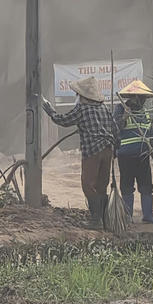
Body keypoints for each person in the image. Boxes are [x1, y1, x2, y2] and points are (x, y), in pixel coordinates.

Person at [39, 77, 118, 229]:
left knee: (88, 184)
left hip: (92, 150)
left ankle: (96, 221)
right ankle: (104, 220)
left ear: (82, 96)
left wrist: (50, 112)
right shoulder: (104, 108)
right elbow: (114, 128)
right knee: (102, 185)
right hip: (108, 149)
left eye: (77, 94)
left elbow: (64, 120)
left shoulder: (82, 109)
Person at [113, 80, 153, 224]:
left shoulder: (145, 112)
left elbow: (149, 133)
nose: (143, 101)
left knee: (146, 186)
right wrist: (124, 118)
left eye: (144, 98)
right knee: (127, 187)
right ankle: (128, 217)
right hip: (126, 156)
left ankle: (148, 216)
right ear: (134, 97)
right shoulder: (120, 109)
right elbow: (114, 130)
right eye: (141, 98)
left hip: (143, 155)